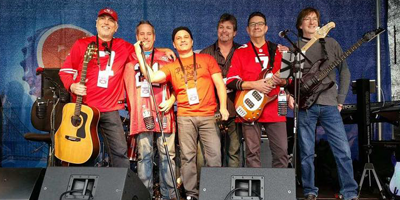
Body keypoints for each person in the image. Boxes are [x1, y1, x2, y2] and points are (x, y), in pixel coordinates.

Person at [135, 26, 229, 200]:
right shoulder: (172, 66)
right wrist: (140, 55)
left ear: (192, 41)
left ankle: (215, 193)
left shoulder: (206, 59)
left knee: (214, 156)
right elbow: (152, 77)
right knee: (187, 158)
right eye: (179, 38)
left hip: (208, 115)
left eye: (186, 37)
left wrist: (223, 107)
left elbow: (219, 84)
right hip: (185, 116)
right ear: (174, 43)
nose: (183, 40)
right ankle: (191, 195)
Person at [290, 7, 359, 200]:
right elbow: (288, 77)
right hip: (306, 106)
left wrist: (340, 100)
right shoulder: (294, 46)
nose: (312, 22)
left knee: (343, 150)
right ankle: (310, 190)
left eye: (315, 19)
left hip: (330, 105)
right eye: (307, 19)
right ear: (300, 25)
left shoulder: (332, 43)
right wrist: (290, 95)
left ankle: (350, 191)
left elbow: (344, 71)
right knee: (306, 153)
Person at [59, 8, 132, 168]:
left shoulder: (124, 46)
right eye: (102, 19)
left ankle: (120, 191)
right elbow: (65, 71)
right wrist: (72, 86)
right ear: (96, 23)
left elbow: (145, 53)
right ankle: (80, 189)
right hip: (84, 108)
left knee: (120, 152)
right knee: (81, 152)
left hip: (110, 109)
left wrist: (166, 50)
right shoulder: (82, 44)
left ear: (116, 27)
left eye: (110, 20)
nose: (106, 22)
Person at [226, 11, 289, 168]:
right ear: (247, 30)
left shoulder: (281, 50)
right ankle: (256, 191)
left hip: (274, 106)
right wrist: (255, 84)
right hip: (249, 106)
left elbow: (288, 80)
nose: (256, 27)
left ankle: (278, 190)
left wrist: (282, 79)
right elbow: (231, 81)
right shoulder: (240, 52)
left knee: (281, 151)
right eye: (253, 24)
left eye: (260, 23)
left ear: (266, 28)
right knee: (252, 152)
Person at [124, 20, 177, 200]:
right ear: (136, 37)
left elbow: (180, 84)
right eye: (141, 34)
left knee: (167, 156)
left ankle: (168, 195)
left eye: (149, 34)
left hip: (163, 111)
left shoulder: (167, 57)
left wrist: (172, 99)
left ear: (154, 37)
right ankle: (144, 195)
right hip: (141, 113)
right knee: (144, 156)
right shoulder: (129, 57)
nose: (145, 37)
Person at [200, 13, 242, 167]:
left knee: (234, 152)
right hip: (211, 110)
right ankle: (212, 188)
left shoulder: (242, 51)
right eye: (221, 27)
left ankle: (232, 189)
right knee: (211, 153)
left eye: (228, 28)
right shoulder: (206, 53)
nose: (224, 31)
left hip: (237, 108)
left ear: (235, 32)